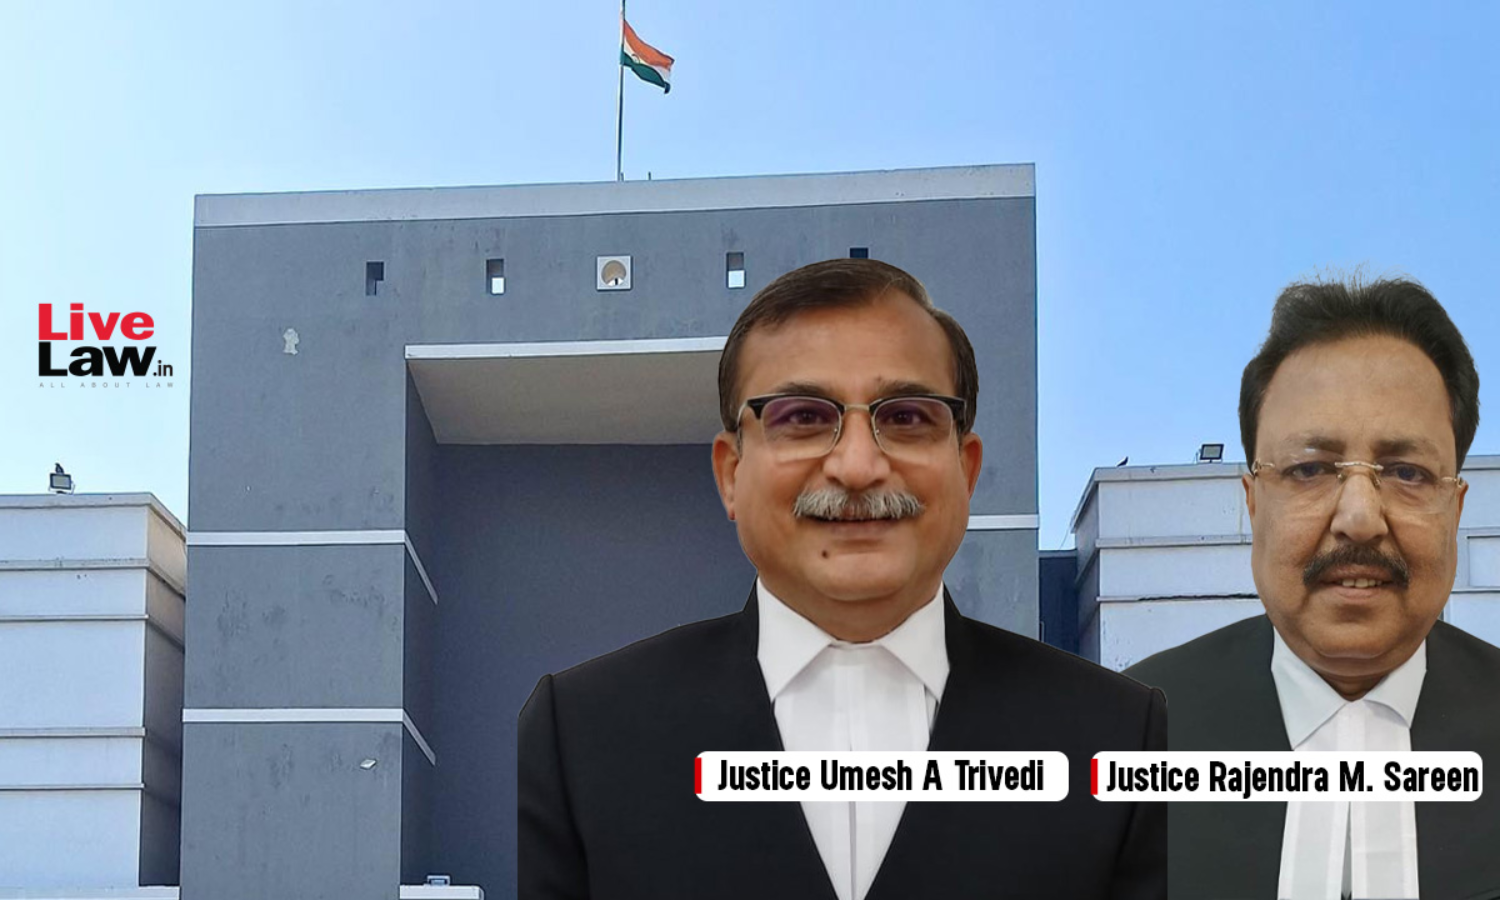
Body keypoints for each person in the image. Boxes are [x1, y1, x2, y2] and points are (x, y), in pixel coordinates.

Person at [519, 258, 1166, 899]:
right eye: (803, 417)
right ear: (730, 474)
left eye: (907, 417)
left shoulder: (1119, 739)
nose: (857, 466)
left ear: (966, 471)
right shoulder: (579, 734)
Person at [1128, 275, 1500, 900]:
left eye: (1407, 472)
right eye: (1309, 469)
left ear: (1455, 509)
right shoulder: (1129, 737)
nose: (1359, 517)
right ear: (1252, 504)